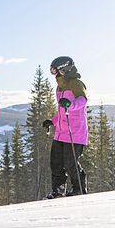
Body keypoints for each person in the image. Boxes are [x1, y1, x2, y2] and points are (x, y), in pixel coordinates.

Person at [42, 56, 88, 198]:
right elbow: (61, 111)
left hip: (75, 132)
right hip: (61, 133)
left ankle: (79, 188)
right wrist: (52, 121)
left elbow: (82, 100)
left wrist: (71, 104)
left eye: (56, 71)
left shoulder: (76, 83)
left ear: (65, 69)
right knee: (55, 163)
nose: (55, 75)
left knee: (70, 163)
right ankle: (58, 190)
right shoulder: (59, 87)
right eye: (53, 72)